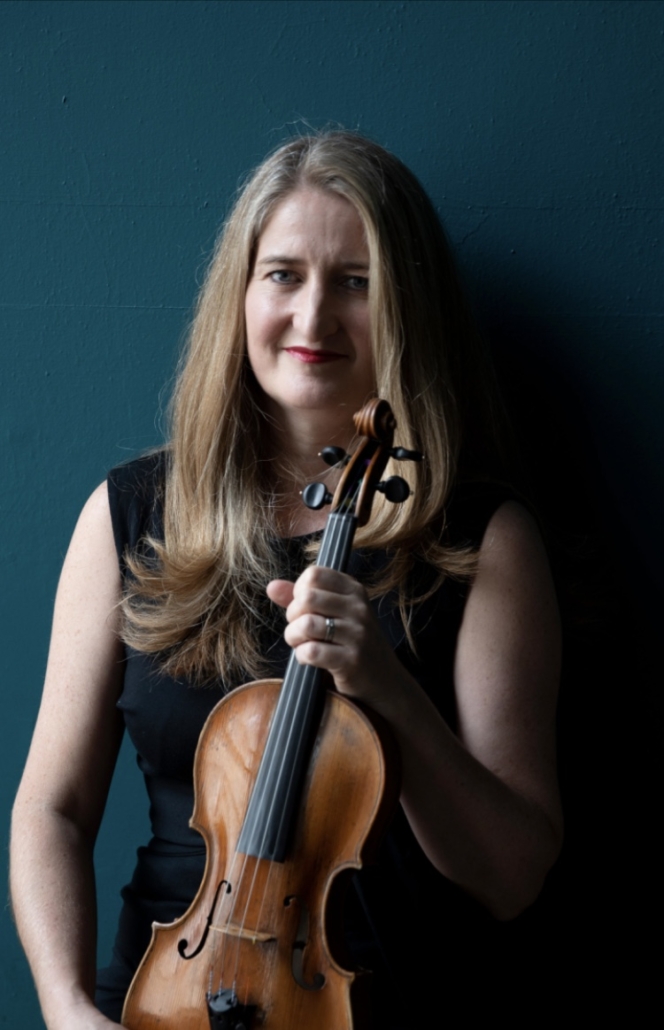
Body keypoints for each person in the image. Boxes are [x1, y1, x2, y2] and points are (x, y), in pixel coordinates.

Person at [10, 131, 563, 1029]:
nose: (313, 320)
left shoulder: (482, 539)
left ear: (407, 306)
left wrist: (386, 690)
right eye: (284, 275)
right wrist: (69, 1008)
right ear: (240, 293)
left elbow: (512, 877)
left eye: (357, 281)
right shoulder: (132, 514)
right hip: (160, 1002)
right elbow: (52, 811)